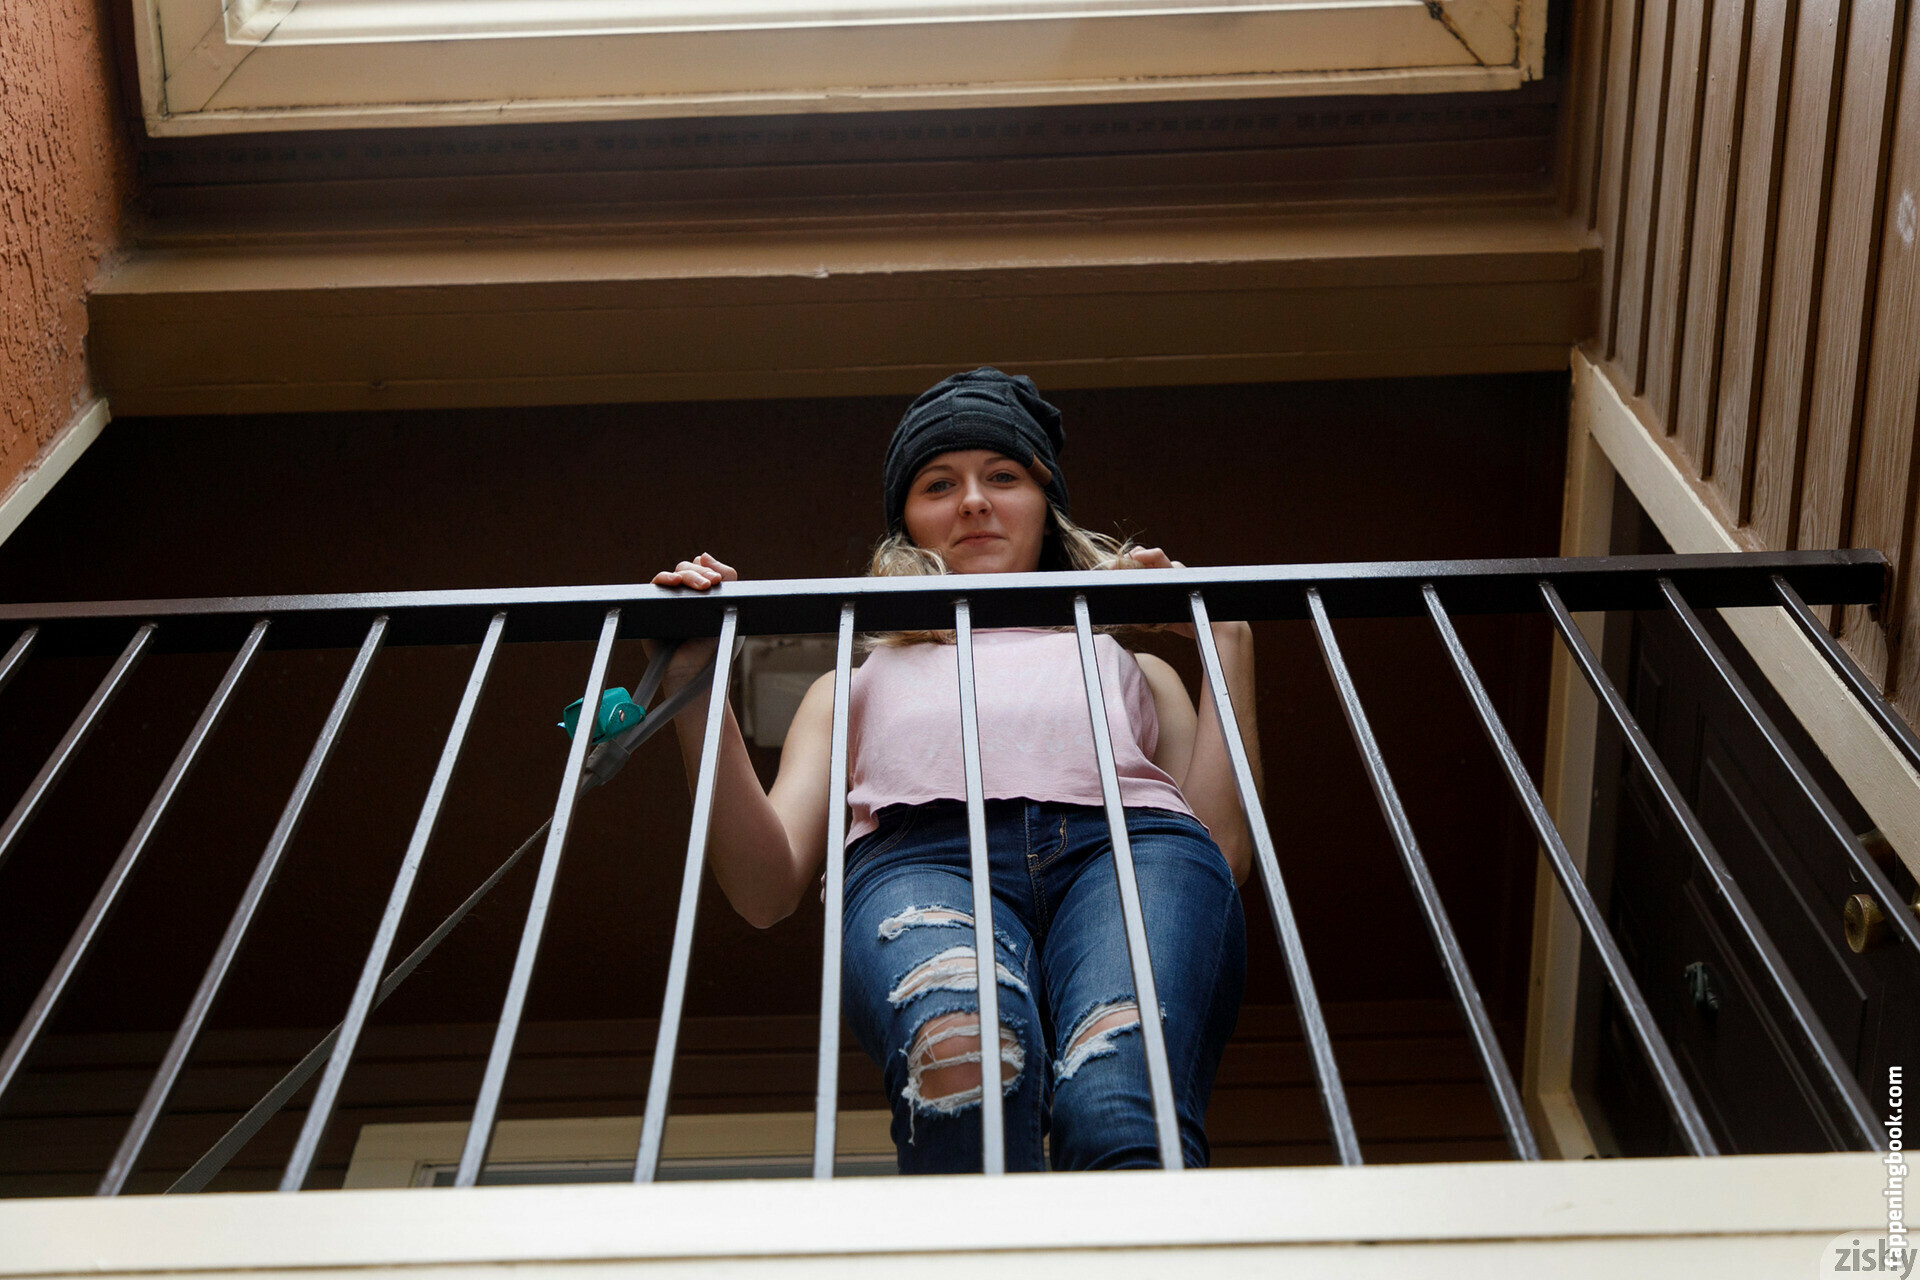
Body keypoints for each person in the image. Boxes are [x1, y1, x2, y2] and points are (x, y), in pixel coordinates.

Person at [648, 367, 1261, 1173]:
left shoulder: (1135, 668)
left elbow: (1222, 852)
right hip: (920, 863)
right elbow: (765, 889)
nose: (973, 501)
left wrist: (1226, 637)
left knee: (1119, 1096)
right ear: (907, 524)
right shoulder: (851, 683)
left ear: (1045, 507)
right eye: (939, 484)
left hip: (1131, 853)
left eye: (1003, 477)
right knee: (963, 1058)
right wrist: (695, 683)